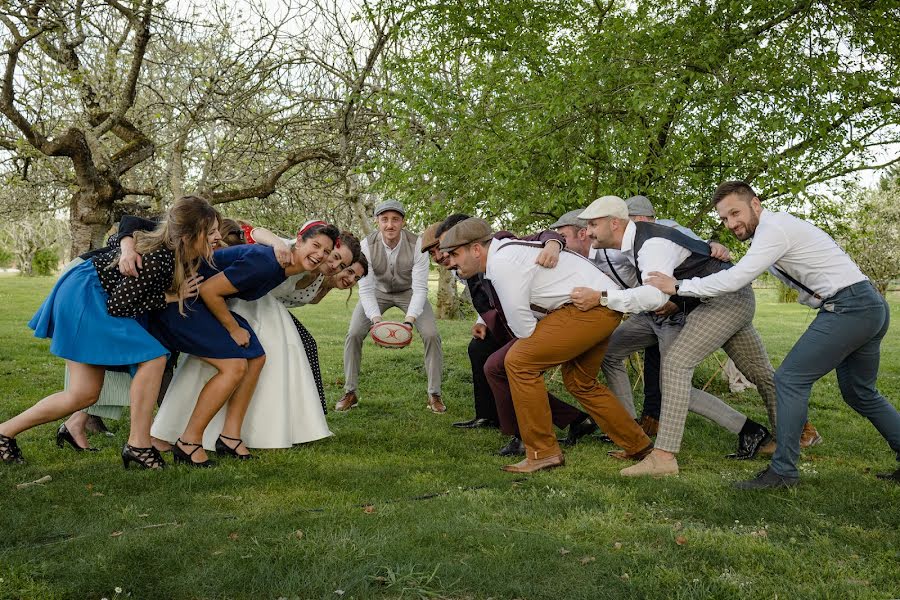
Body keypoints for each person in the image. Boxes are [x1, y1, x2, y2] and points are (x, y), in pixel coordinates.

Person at [646, 181, 900, 488]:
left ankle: (783, 471)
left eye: (735, 213)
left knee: (790, 379)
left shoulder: (773, 229)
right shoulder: (773, 232)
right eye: (724, 219)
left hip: (850, 307)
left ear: (756, 203)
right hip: (867, 304)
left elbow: (737, 278)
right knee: (859, 392)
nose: (731, 223)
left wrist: (677, 287)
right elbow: (742, 269)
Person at [0, 196, 219, 469]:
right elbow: (119, 305)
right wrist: (172, 297)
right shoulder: (160, 257)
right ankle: (139, 445)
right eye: (210, 232)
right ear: (188, 235)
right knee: (153, 358)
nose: (218, 237)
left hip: (88, 293)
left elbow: (126, 233)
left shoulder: (170, 245)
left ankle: (3, 432)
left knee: (83, 394)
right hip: (88, 297)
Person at [575, 195, 780, 477]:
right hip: (677, 308)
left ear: (615, 223)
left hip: (705, 304)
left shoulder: (653, 242)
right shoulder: (622, 244)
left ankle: (678, 452)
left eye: (593, 224)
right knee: (610, 352)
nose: (588, 231)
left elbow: (658, 291)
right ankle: (632, 434)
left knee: (675, 371)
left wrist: (601, 298)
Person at [442, 218, 653, 473]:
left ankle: (543, 453)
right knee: (579, 381)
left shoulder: (502, 263)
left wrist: (545, 343)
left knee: (519, 362)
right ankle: (638, 444)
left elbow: (524, 329)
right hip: (601, 307)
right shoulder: (504, 254)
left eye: (454, 254)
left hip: (589, 308)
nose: (450, 262)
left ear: (476, 249)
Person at [151, 222, 355, 451]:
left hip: (208, 302)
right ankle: (188, 440)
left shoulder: (289, 269)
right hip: (187, 303)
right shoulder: (267, 261)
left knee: (257, 356)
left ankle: (229, 436)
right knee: (235, 365)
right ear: (298, 241)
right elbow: (209, 290)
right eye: (315, 246)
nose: (320, 255)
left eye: (326, 252)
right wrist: (233, 329)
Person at [338, 200, 445, 413]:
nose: (390, 225)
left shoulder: (418, 244)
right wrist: (376, 321)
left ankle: (434, 394)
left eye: (395, 219)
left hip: (410, 292)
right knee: (354, 333)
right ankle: (350, 392)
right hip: (377, 292)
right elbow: (366, 289)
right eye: (384, 219)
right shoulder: (366, 246)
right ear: (377, 221)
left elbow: (421, 288)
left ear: (403, 222)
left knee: (432, 334)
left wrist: (409, 321)